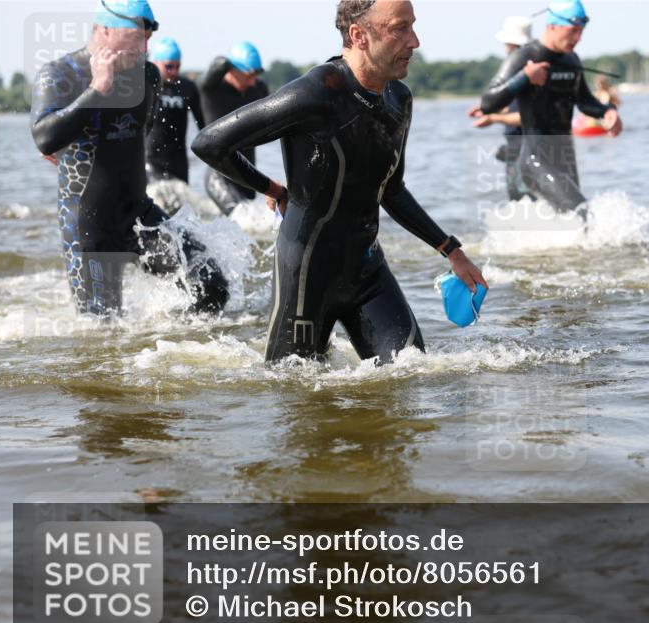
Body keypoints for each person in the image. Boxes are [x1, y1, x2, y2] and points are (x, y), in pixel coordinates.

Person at [192, 0, 487, 364]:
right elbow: (210, 143)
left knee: (412, 376)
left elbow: (391, 190)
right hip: (306, 276)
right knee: (291, 392)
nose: (415, 41)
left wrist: (452, 252)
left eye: (413, 26)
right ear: (359, 35)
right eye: (400, 28)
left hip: (367, 271)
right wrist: (273, 190)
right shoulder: (317, 92)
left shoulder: (399, 99)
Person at [30, 0, 228, 317]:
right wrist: (98, 88)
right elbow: (44, 136)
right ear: (105, 29)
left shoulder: (148, 75)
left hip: (138, 213)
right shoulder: (60, 73)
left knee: (211, 285)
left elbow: (142, 129)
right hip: (89, 227)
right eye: (137, 36)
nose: (145, 46)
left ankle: (166, 356)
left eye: (148, 37)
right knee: (103, 329)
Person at [480, 0, 622, 214]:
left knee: (574, 224)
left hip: (565, 157)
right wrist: (524, 77)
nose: (578, 38)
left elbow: (585, 101)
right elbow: (488, 103)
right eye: (573, 30)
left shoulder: (572, 59)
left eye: (581, 31)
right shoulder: (525, 57)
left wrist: (608, 111)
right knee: (582, 214)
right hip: (535, 159)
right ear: (552, 25)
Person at [198, 41, 269, 215]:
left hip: (246, 175)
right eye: (249, 75)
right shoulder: (212, 90)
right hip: (219, 176)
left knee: (249, 230)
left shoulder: (257, 90)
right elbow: (215, 68)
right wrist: (228, 62)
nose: (253, 81)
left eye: (256, 75)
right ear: (231, 69)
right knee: (243, 221)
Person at [467, 16, 531, 201]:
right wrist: (488, 111)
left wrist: (493, 118)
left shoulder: (525, 74)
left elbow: (526, 116)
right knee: (520, 200)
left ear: (513, 44)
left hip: (524, 148)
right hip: (518, 147)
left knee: (521, 199)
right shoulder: (523, 72)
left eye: (506, 44)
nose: (505, 48)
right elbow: (514, 108)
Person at [145, 36, 205, 214]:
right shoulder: (146, 85)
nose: (173, 71)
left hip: (178, 164)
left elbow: (203, 125)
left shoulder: (188, 88)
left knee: (179, 217)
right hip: (150, 161)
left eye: (177, 66)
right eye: (169, 66)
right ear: (155, 63)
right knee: (154, 212)